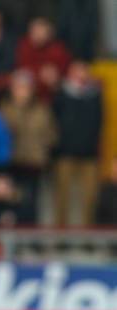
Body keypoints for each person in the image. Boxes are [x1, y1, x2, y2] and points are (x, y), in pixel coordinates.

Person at [0, 70, 57, 224]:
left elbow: (51, 133)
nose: (23, 91)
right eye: (19, 87)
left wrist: (43, 148)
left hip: (34, 161)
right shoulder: (4, 109)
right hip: (12, 161)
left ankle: (32, 238)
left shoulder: (41, 109)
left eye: (26, 87)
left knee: (32, 200)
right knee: (12, 200)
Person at [53, 60, 102, 226]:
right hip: (65, 153)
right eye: (77, 70)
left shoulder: (95, 95)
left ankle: (88, 233)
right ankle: (60, 234)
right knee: (62, 197)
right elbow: (54, 123)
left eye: (83, 70)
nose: (81, 74)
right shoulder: (61, 94)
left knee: (90, 198)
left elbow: (99, 122)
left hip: (89, 154)